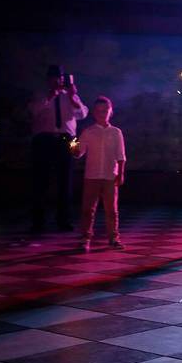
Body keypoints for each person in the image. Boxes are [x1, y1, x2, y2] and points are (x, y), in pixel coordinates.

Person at [28, 65, 88, 232]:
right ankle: (38, 221)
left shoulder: (70, 95)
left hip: (67, 139)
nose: (58, 80)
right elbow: (33, 111)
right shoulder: (40, 94)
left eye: (61, 77)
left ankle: (64, 220)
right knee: (41, 181)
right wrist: (49, 96)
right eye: (55, 77)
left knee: (66, 181)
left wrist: (73, 96)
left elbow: (83, 114)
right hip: (43, 139)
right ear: (48, 79)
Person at [73, 96, 126, 251]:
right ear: (94, 113)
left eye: (105, 110)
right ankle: (85, 238)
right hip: (92, 176)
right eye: (99, 111)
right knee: (88, 209)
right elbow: (78, 152)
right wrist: (72, 144)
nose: (102, 113)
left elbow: (121, 155)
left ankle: (113, 238)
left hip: (110, 175)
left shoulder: (116, 132)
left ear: (111, 111)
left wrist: (121, 173)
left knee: (112, 210)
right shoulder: (88, 132)